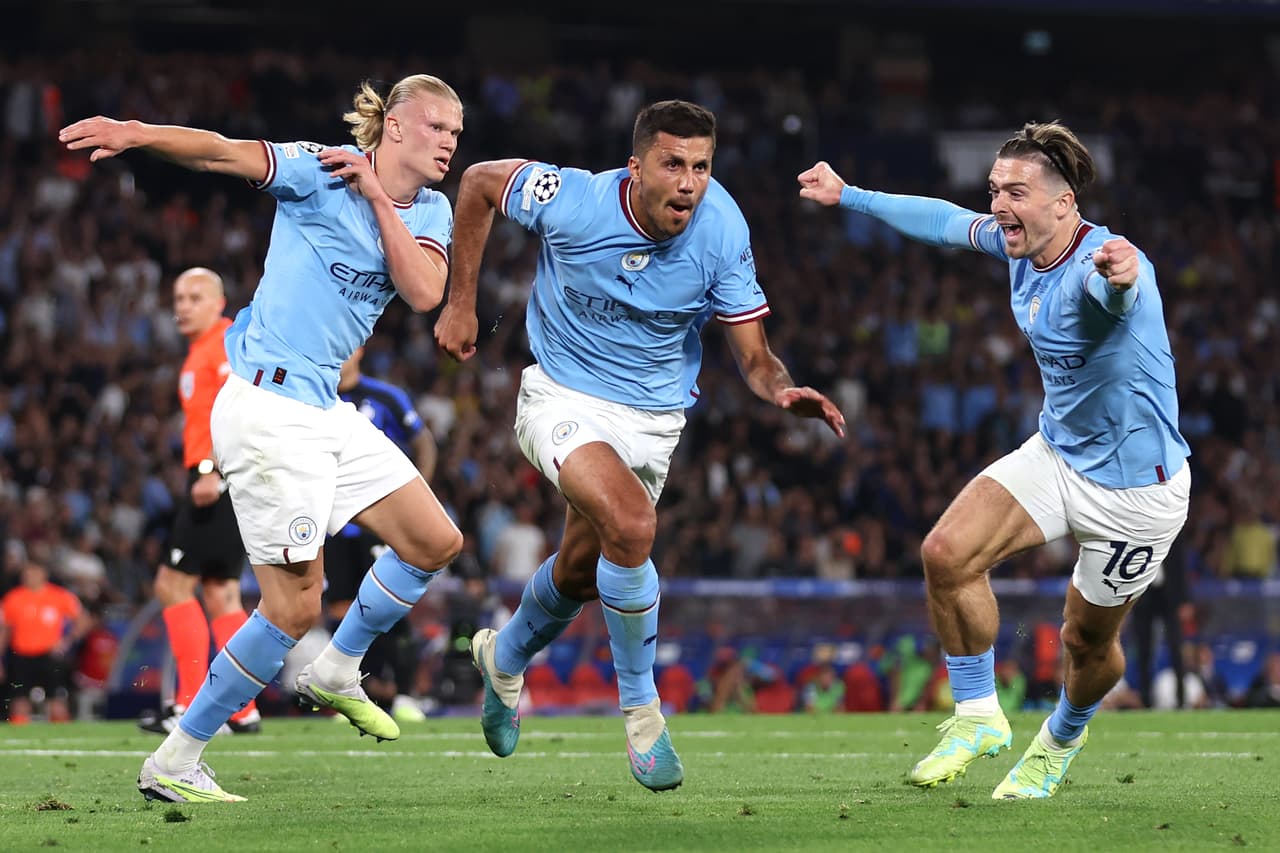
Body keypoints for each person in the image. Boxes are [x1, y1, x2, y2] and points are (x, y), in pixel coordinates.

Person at [59, 72, 465, 803]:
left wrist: (377, 196)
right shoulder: (318, 168)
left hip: (325, 411)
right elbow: (220, 152)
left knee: (434, 541)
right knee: (291, 607)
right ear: (397, 127)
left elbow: (425, 291)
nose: (450, 143)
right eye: (438, 127)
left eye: (457, 133)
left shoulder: (430, 209)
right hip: (269, 407)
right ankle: (177, 757)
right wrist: (137, 134)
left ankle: (339, 669)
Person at [435, 99, 844, 791]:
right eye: (673, 164)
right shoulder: (573, 199)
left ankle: (502, 659)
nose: (689, 182)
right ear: (635, 167)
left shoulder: (722, 231)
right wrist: (460, 300)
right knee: (632, 523)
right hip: (561, 396)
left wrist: (780, 390)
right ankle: (644, 715)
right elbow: (476, 182)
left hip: (654, 420)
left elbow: (755, 355)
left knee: (575, 574)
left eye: (702, 166)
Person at [799, 120, 1191, 800]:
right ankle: (979, 715)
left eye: (1017, 191)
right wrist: (849, 194)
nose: (999, 203)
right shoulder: (1018, 247)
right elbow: (942, 221)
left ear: (1064, 204)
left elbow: (1114, 298)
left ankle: (1061, 740)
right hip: (1059, 453)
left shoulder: (1105, 264)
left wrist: (1123, 281)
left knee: (1085, 643)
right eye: (995, 189)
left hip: (1138, 493)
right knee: (946, 553)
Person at [138, 267, 260, 736]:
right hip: (225, 477)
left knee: (172, 585)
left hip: (220, 476)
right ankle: (241, 707)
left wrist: (211, 470)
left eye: (192, 297)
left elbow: (238, 403)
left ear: (217, 302)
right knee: (220, 592)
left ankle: (189, 701)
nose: (181, 306)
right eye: (177, 297)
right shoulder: (201, 349)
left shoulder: (225, 341)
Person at [323, 345, 438, 724]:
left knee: (389, 606)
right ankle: (358, 693)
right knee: (342, 609)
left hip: (380, 519)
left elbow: (423, 441)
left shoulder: (386, 396)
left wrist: (418, 492)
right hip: (334, 524)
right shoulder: (318, 397)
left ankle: (405, 693)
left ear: (358, 350)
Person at [0, 560, 92, 723]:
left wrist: (67, 641)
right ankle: (21, 741)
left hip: (50, 656)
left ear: (43, 574)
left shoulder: (59, 596)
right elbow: (4, 630)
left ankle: (63, 740)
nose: (29, 576)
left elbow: (83, 620)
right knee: (19, 701)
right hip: (21, 656)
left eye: (34, 572)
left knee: (56, 700)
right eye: (26, 572)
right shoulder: (13, 598)